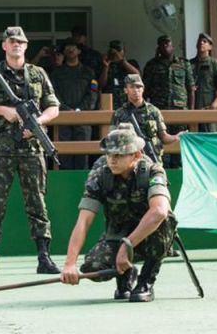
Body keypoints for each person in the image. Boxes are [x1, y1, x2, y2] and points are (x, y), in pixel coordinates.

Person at [0, 26, 62, 277]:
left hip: (32, 150)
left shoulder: (38, 74)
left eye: (20, 42)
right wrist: (4, 111)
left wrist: (39, 124)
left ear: (26, 45)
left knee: (38, 203)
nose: (16, 45)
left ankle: (44, 257)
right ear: (4, 45)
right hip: (1, 149)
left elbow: (53, 106)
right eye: (11, 41)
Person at [60, 124, 176, 303]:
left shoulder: (153, 171)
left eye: (119, 155)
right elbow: (84, 221)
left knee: (165, 220)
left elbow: (159, 211)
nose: (112, 160)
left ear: (136, 155)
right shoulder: (100, 175)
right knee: (93, 267)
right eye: (109, 154)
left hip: (149, 234)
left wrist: (128, 245)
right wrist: (70, 264)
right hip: (118, 231)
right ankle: (127, 273)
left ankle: (145, 283)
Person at [143, 35, 193, 166]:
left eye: (167, 44)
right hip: (159, 111)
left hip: (180, 111)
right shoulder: (151, 65)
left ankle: (178, 170)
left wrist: (192, 112)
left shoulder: (184, 64)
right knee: (159, 145)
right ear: (158, 48)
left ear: (173, 46)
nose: (165, 46)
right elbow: (145, 89)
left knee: (179, 145)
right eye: (162, 44)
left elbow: (190, 89)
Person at [111, 74, 184, 162]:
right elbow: (113, 139)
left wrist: (176, 137)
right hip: (129, 160)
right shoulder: (119, 113)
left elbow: (163, 137)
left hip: (151, 156)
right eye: (132, 87)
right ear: (126, 90)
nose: (136, 90)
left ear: (143, 89)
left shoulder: (153, 111)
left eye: (139, 87)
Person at [51, 38, 98, 170]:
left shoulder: (88, 72)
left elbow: (93, 94)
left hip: (83, 119)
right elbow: (53, 95)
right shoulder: (56, 74)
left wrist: (79, 110)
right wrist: (66, 110)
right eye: (67, 47)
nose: (70, 49)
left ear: (79, 51)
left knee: (82, 158)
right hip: (63, 119)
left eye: (74, 46)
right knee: (64, 157)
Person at [190, 33, 217, 132]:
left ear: (210, 47)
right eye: (199, 41)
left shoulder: (214, 64)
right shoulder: (189, 64)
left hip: (206, 108)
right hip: (191, 109)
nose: (201, 43)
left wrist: (214, 105)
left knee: (207, 137)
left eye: (204, 41)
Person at [99, 40, 140, 109]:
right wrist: (106, 66)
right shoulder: (105, 64)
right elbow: (101, 85)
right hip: (110, 104)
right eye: (113, 49)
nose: (116, 52)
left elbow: (137, 76)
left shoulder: (130, 63)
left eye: (118, 50)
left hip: (127, 103)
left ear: (124, 51)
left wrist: (122, 61)